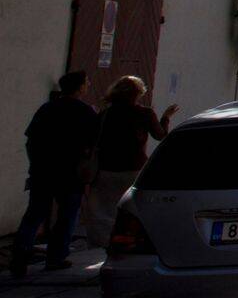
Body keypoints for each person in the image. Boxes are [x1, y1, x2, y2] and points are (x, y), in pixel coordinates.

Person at [9, 71, 97, 277]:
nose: (88, 85)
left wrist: (36, 164)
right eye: (86, 83)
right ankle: (56, 258)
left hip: (43, 171)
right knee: (66, 216)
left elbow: (31, 140)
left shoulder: (47, 109)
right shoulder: (85, 112)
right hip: (70, 173)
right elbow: (93, 145)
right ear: (80, 87)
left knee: (34, 214)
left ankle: (19, 257)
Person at [82, 76, 175, 248]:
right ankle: (129, 241)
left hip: (106, 168)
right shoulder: (145, 113)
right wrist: (166, 117)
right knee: (132, 208)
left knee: (103, 209)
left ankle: (103, 243)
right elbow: (160, 135)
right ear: (138, 93)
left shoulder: (105, 114)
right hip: (134, 167)